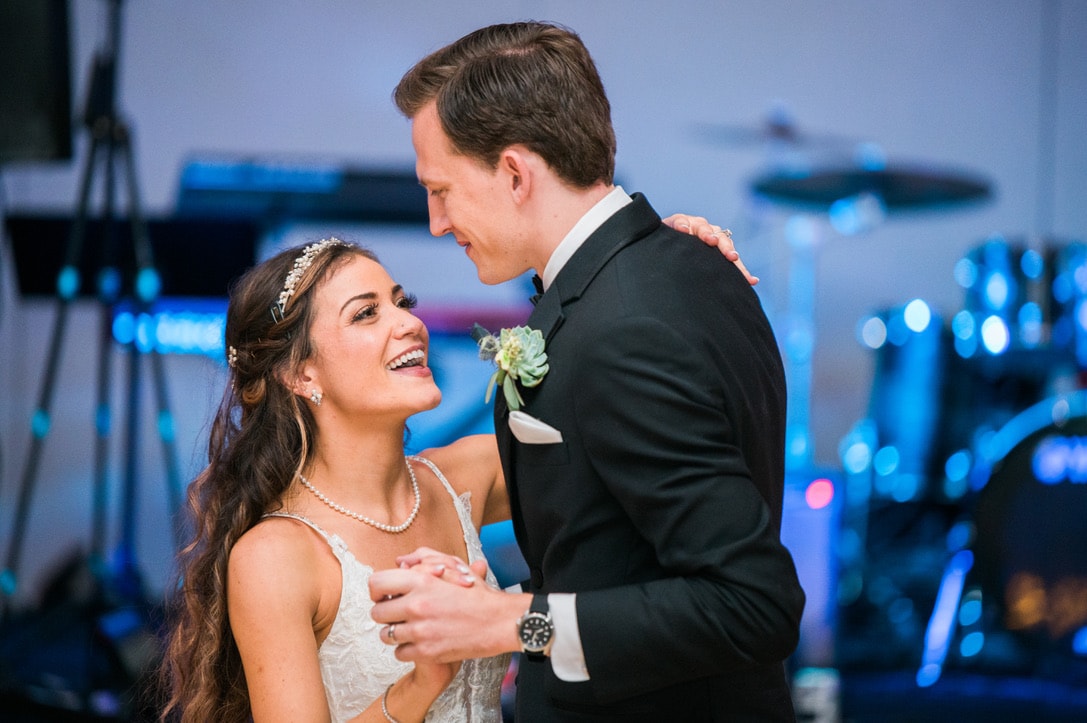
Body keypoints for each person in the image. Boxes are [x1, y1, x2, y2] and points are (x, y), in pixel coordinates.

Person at [369, 21, 807, 722]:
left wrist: (511, 621)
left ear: (514, 173)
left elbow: (752, 604)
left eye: (441, 189)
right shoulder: (683, 261)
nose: (435, 221)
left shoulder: (625, 327)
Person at [159, 218, 748, 721]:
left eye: (401, 302)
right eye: (366, 314)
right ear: (300, 375)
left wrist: (653, 264)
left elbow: (626, 442)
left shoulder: (462, 477)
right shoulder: (276, 555)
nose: (407, 323)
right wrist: (421, 683)